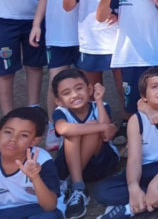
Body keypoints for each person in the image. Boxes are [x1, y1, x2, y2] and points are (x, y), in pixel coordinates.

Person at [93, 68, 158, 219]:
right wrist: (133, 187)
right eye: (154, 87)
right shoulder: (137, 120)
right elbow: (134, 159)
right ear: (144, 97)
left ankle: (130, 209)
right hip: (147, 169)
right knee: (101, 191)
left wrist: (154, 186)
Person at [31, 0, 84, 150]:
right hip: (57, 36)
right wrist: (36, 24)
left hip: (85, 37)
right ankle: (54, 125)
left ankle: (85, 123)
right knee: (56, 82)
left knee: (84, 84)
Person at [51, 70, 120, 219]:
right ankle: (78, 188)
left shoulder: (100, 106)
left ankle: (72, 185)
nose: (75, 95)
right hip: (69, 163)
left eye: (79, 88)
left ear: (89, 90)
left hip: (100, 163)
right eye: (66, 92)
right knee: (73, 132)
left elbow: (108, 135)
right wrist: (102, 127)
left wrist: (99, 100)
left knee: (91, 125)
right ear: (59, 101)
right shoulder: (61, 111)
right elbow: (62, 128)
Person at [0, 107, 60, 219]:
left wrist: (35, 178)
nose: (13, 139)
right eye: (8, 132)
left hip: (35, 211)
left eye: (23, 135)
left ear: (34, 141)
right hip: (2, 214)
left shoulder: (41, 160)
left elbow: (49, 207)